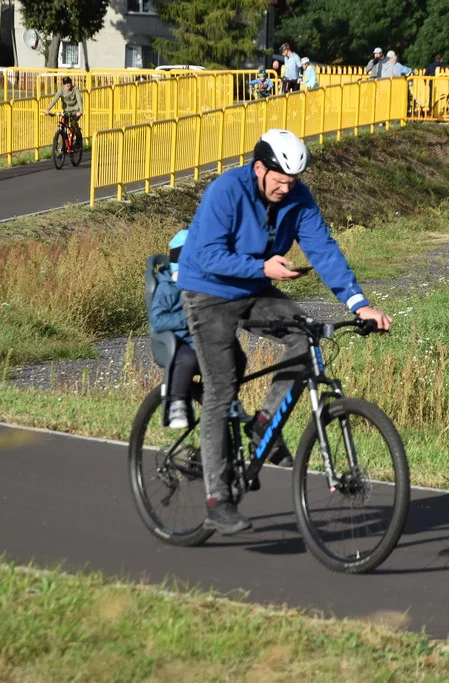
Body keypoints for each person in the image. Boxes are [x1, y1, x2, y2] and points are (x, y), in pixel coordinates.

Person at [177, 129, 392, 534]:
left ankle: (263, 422)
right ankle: (217, 499)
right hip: (207, 291)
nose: (284, 188)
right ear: (259, 168)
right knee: (222, 388)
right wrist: (262, 267)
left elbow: (324, 250)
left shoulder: (298, 198)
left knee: (306, 337)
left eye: (292, 182)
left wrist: (359, 303)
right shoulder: (227, 190)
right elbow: (206, 254)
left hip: (256, 288)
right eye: (278, 180)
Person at [148, 230, 198, 429]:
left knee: (232, 355)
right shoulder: (167, 288)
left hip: (200, 337)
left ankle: (227, 404)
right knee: (188, 359)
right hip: (176, 341)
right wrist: (187, 318)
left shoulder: (201, 284)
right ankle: (176, 403)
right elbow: (157, 320)